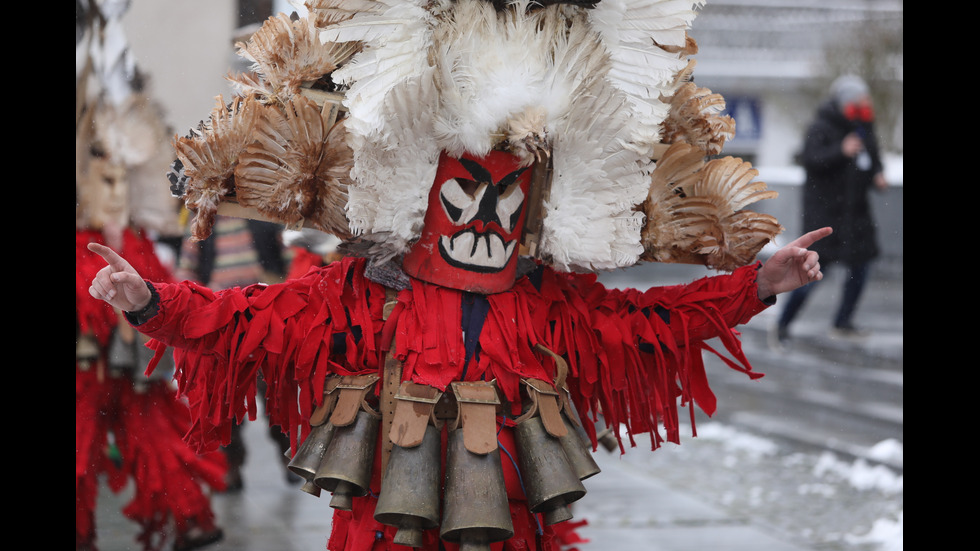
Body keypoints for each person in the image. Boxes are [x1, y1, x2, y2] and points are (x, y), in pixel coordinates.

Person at [173, 214, 296, 490]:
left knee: (276, 396)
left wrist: (283, 293)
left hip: (265, 320)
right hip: (220, 325)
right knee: (223, 402)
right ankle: (231, 467)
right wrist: (195, 305)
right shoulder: (200, 223)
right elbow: (185, 271)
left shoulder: (265, 217)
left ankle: (290, 458)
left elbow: (292, 264)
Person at [772, 74, 888, 347]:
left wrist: (877, 175)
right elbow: (811, 160)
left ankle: (842, 322)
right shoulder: (822, 126)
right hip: (826, 216)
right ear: (848, 100)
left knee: (860, 269)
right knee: (811, 275)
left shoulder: (864, 126)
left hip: (856, 215)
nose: (867, 102)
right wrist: (841, 150)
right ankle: (782, 325)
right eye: (862, 97)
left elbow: (872, 159)